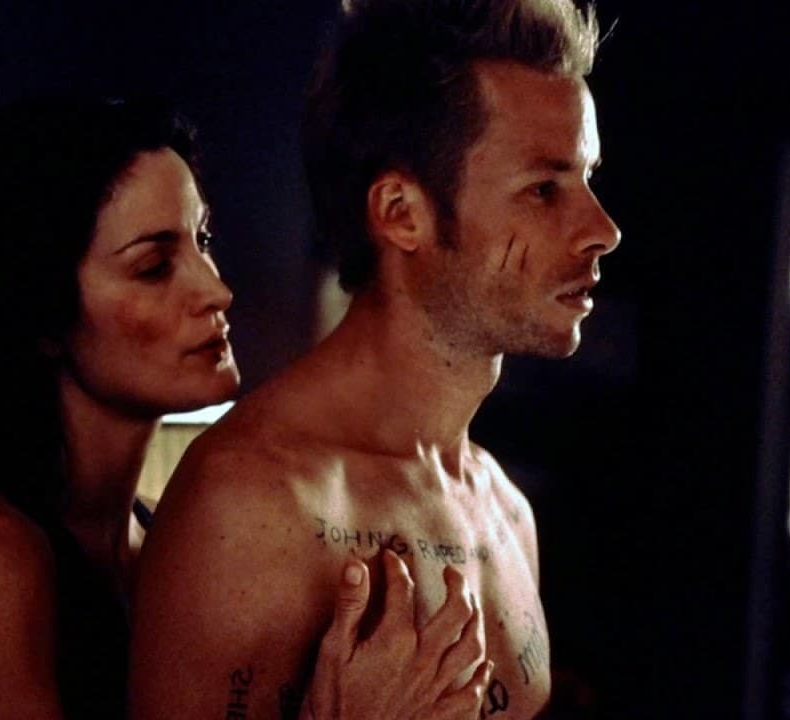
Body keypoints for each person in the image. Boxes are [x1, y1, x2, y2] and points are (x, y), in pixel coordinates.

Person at [0, 95, 493, 719]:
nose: (217, 289)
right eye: (154, 266)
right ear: (40, 313)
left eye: (203, 239)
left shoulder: (158, 538)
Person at [129, 0, 620, 718]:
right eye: (544, 189)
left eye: (588, 179)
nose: (602, 229)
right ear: (400, 212)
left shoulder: (503, 508)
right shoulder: (251, 507)